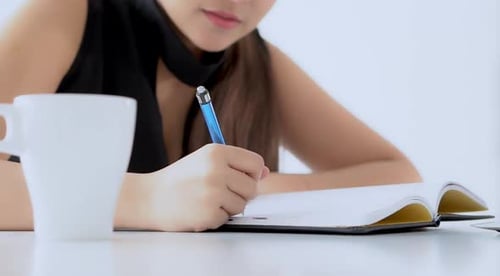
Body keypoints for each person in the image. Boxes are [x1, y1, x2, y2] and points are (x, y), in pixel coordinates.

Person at [0, 0, 421, 232]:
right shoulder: (64, 13)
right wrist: (147, 198)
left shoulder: (254, 60)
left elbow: (398, 174)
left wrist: (251, 190)